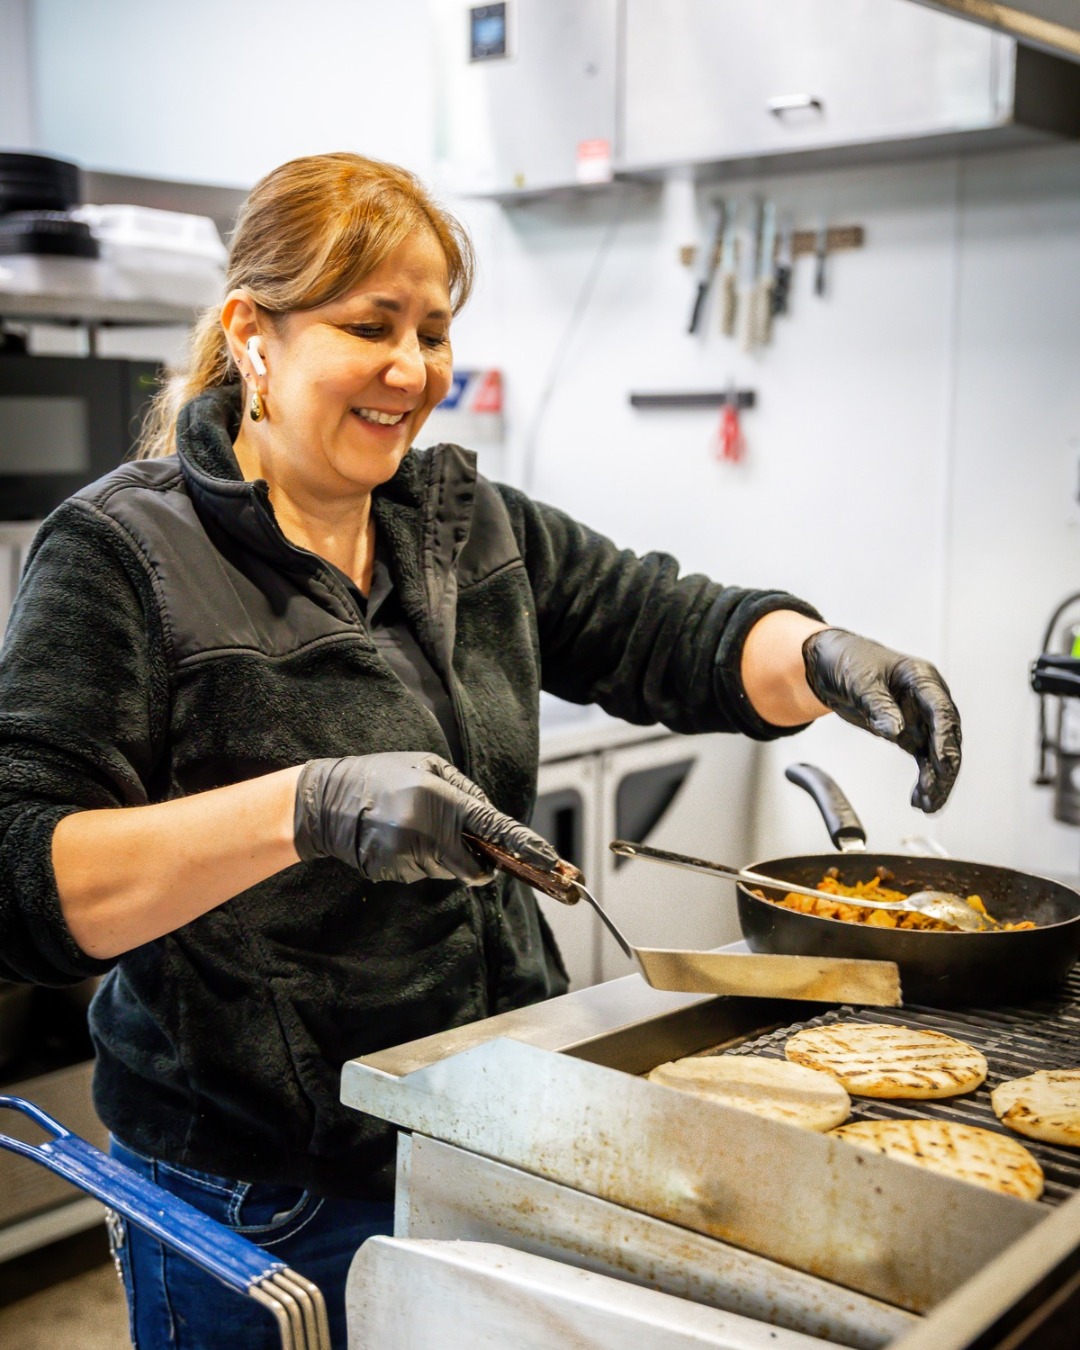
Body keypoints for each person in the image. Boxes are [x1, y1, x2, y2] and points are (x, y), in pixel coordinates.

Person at [0, 153, 960, 1348]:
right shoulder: (121, 555)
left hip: (483, 1125)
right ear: (255, 334)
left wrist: (817, 655)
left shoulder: (459, 522)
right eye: (371, 325)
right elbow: (27, 879)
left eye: (436, 331)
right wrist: (308, 805)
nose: (414, 370)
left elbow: (671, 629)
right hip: (261, 1198)